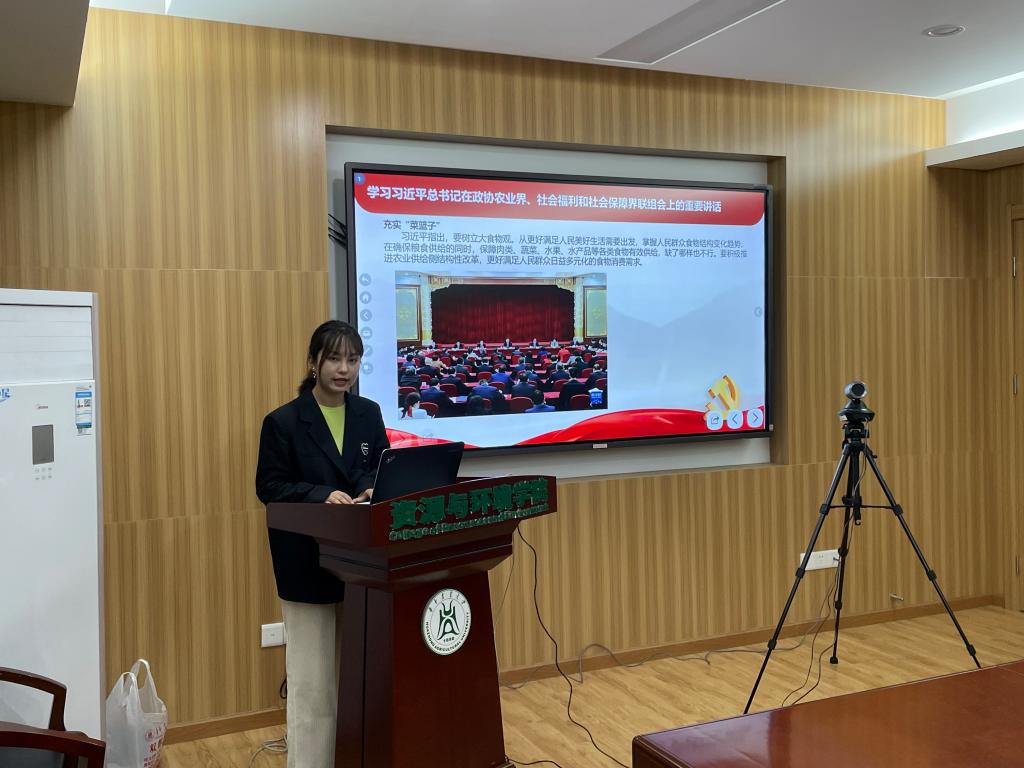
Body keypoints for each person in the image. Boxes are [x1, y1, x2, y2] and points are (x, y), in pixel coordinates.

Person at [255, 320, 389, 768]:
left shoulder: (368, 412)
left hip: (361, 564)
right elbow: (269, 486)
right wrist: (319, 494)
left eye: (352, 360)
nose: (343, 369)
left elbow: (376, 468)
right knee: (312, 685)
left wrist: (370, 486)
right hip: (305, 564)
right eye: (334, 359)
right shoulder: (283, 422)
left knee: (357, 679)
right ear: (313, 363)